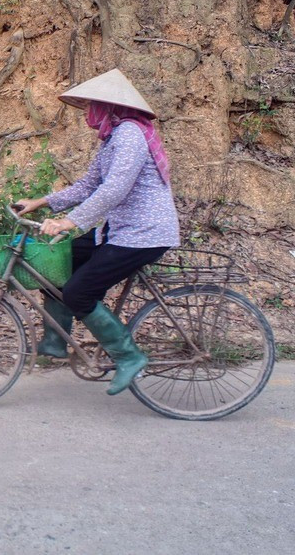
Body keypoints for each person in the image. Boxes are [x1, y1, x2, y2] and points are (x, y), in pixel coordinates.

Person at [13, 68, 180, 395]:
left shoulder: (130, 134)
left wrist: (69, 222)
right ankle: (56, 340)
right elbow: (90, 184)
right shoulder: (113, 138)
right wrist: (42, 201)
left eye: (94, 105)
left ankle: (129, 357)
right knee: (61, 262)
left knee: (79, 291)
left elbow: (114, 189)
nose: (89, 112)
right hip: (120, 228)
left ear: (110, 107)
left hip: (143, 233)